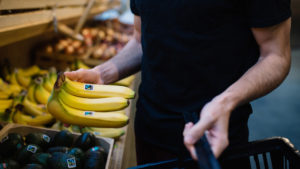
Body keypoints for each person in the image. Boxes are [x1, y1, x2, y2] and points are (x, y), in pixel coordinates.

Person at [65, 0, 292, 168]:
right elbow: (141, 40)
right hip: (148, 128)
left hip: (214, 138)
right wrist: (102, 74)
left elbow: (275, 56)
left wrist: (226, 101)